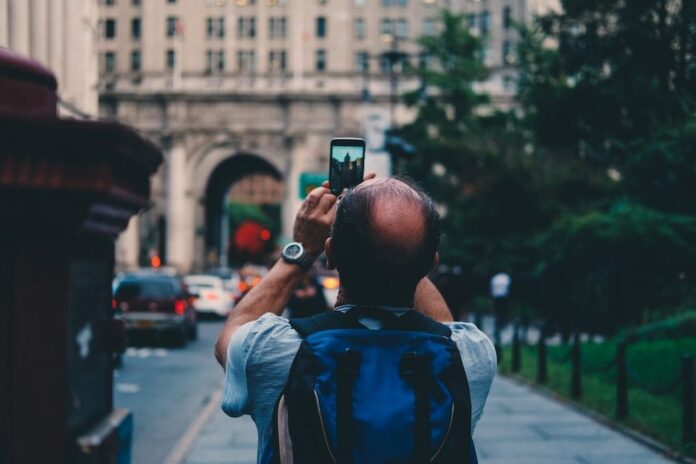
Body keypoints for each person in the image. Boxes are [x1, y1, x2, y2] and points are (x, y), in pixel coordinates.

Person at [215, 176, 497, 462]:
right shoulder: (469, 355)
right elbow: (445, 331)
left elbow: (232, 331)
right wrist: (402, 246)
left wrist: (303, 247)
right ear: (430, 264)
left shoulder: (277, 350)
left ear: (331, 253)